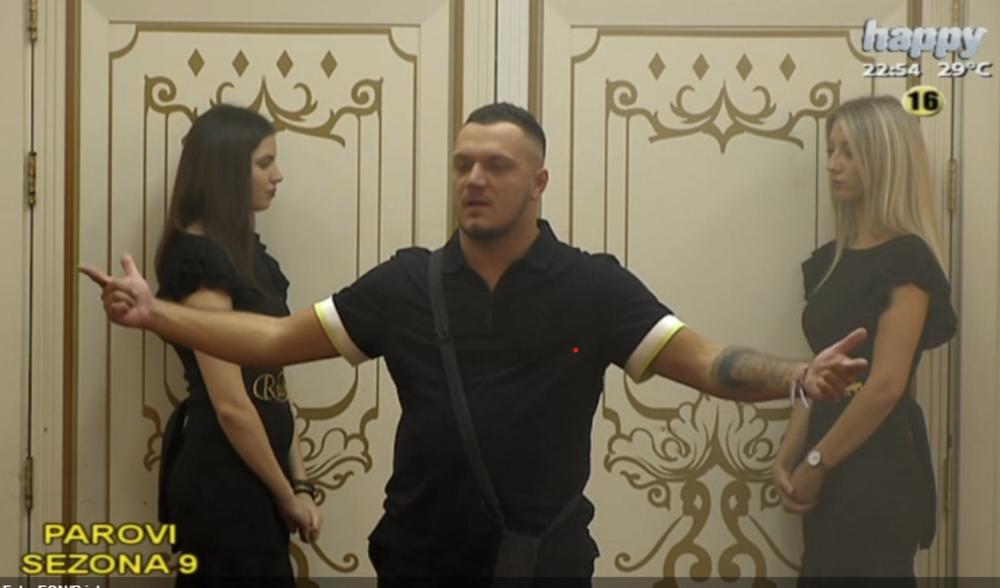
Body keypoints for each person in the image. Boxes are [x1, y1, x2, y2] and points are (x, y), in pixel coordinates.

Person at [84, 102, 867, 585]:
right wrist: (157, 315)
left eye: (497, 165)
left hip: (546, 560)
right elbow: (272, 340)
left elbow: (708, 364)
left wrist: (797, 375)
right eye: (463, 164)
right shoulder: (405, 284)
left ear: (539, 182)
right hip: (419, 558)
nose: (474, 179)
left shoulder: (592, 286)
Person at [772, 95, 957, 581]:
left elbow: (885, 386)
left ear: (883, 158)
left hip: (877, 463)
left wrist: (816, 462)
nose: (832, 164)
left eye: (849, 152)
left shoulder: (907, 259)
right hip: (828, 454)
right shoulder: (829, 261)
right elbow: (819, 371)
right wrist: (788, 454)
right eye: (831, 150)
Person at [152, 104, 321, 585]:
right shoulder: (200, 259)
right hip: (223, 484)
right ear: (226, 170)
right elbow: (230, 403)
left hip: (258, 478)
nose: (278, 175)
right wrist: (286, 495)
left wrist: (300, 483)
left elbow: (273, 384)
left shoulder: (248, 256)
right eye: (264, 163)